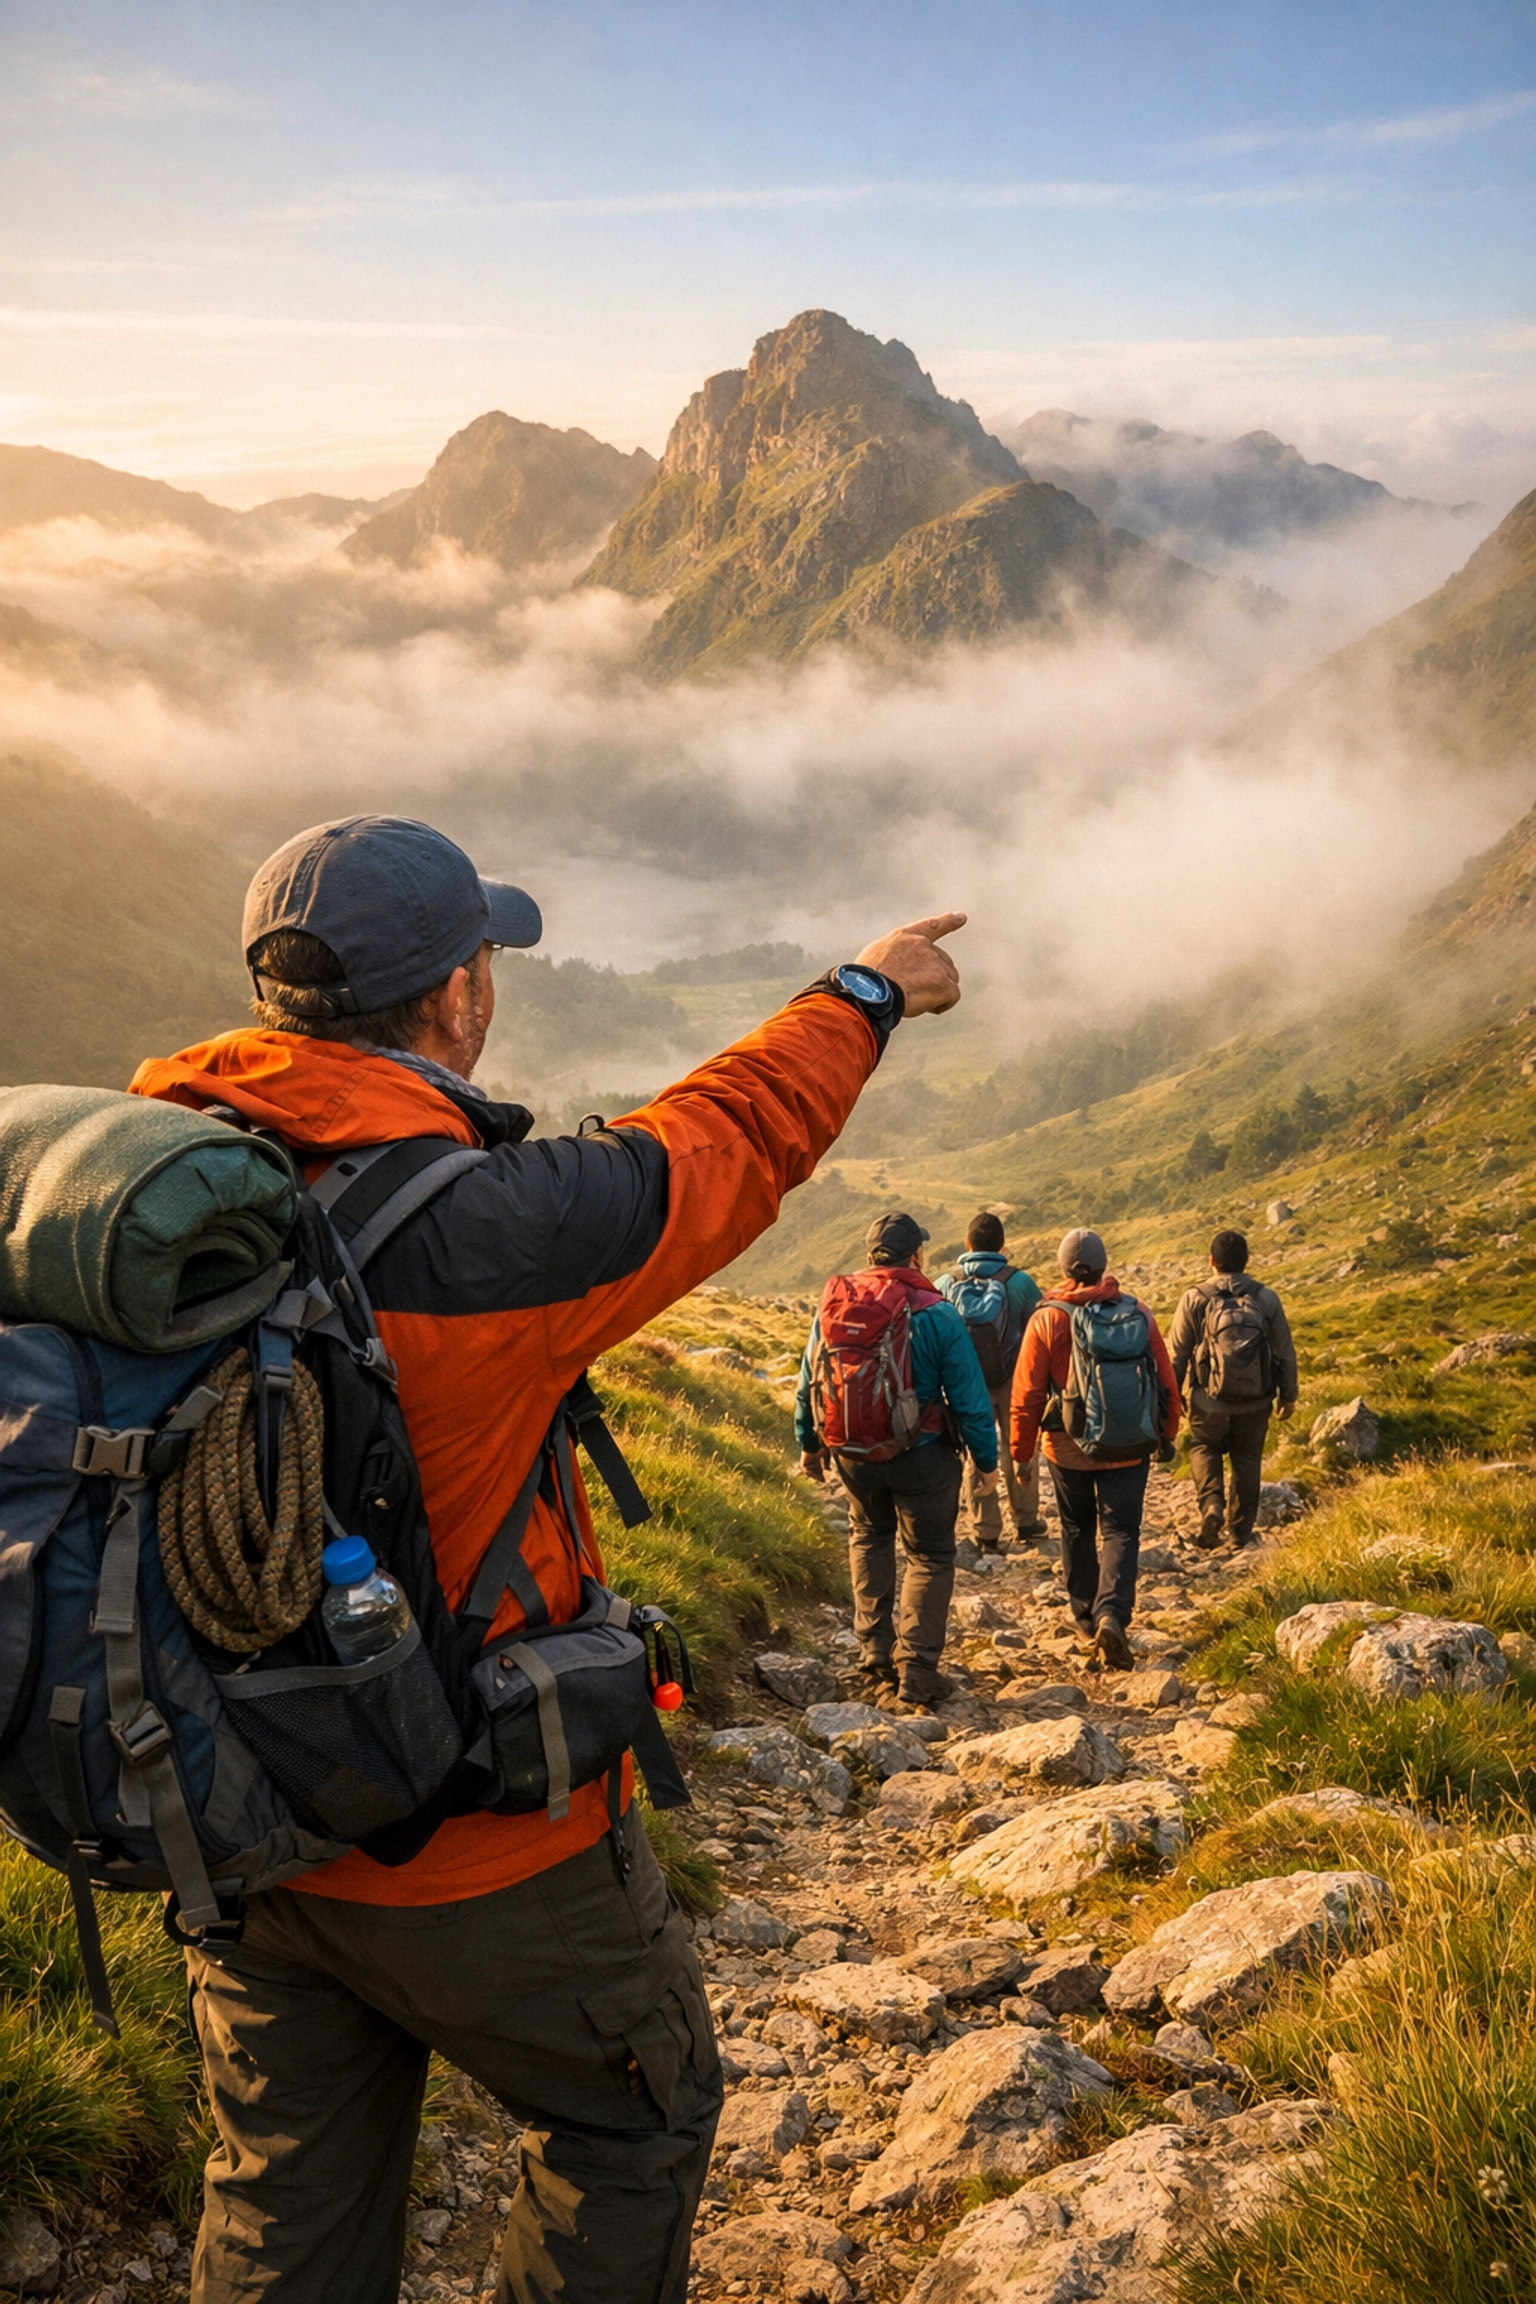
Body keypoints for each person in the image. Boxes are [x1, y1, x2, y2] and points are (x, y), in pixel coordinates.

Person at [126, 811, 966, 2304]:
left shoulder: (158, 1196)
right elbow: (720, 1142)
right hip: (476, 1844)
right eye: (484, 960)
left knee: (284, 2202)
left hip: (228, 1816)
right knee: (636, 2121)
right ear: (456, 998)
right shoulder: (499, 1232)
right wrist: (866, 992)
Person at [795, 1212, 998, 1707]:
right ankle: (918, 1668)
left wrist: (808, 1444)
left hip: (853, 1454)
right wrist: (986, 1462)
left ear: (870, 1255)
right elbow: (970, 1399)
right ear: (917, 1256)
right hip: (923, 1454)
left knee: (868, 1536)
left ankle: (875, 1653)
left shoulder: (836, 1306)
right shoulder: (937, 1311)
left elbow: (809, 1382)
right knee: (929, 1554)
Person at [1009, 1227, 1180, 1671]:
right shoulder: (1137, 1312)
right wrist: (1168, 1434)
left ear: (1065, 1269)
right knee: (1122, 1530)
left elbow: (1026, 1395)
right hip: (1129, 1443)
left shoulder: (1047, 1318)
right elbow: (1165, 1381)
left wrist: (1020, 1452)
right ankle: (1113, 1615)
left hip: (1066, 1447)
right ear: (1104, 1266)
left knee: (1076, 1528)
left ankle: (1085, 1616)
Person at [1169, 1229, 1298, 1550]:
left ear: (1211, 1261)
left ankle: (1212, 1505)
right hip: (1257, 1399)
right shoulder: (1265, 1297)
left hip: (1207, 1400)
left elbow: (1178, 1353)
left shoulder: (1194, 1298)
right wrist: (1289, 1394)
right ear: (1246, 1261)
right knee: (1247, 1458)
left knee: (1202, 1446)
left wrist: (1172, 1397)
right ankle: (1240, 1533)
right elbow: (1285, 1351)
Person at [938, 1210, 1045, 1550]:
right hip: (1012, 1377)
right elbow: (1037, 1332)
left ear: (968, 1244)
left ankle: (986, 1531)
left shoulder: (946, 1283)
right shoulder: (1020, 1282)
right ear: (1001, 1245)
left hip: (967, 1382)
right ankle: (1026, 1521)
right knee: (1019, 1445)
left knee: (976, 1451)